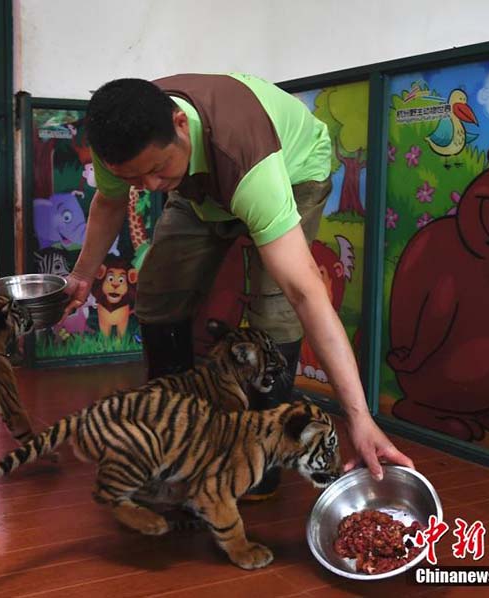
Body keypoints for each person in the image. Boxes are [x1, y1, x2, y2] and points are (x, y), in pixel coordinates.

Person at [61, 72, 413, 497]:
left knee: (276, 304)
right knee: (158, 290)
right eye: (137, 179)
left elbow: (306, 293)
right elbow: (110, 200)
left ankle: (265, 454)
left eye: (155, 170)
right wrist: (80, 276)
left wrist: (358, 417)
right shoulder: (119, 138)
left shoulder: (249, 165)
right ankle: (172, 432)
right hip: (201, 189)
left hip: (292, 169)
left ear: (178, 124)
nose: (149, 188)